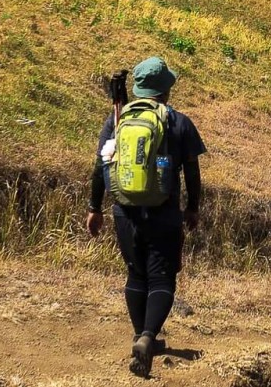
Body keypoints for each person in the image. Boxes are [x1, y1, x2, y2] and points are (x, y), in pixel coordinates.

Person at [86, 57, 206, 378]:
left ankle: (140, 335)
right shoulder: (179, 123)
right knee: (162, 277)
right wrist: (192, 207)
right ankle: (149, 337)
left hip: (124, 211)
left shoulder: (118, 119)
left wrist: (94, 207)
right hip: (164, 213)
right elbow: (192, 172)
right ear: (166, 90)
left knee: (136, 274)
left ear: (139, 89)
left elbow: (102, 166)